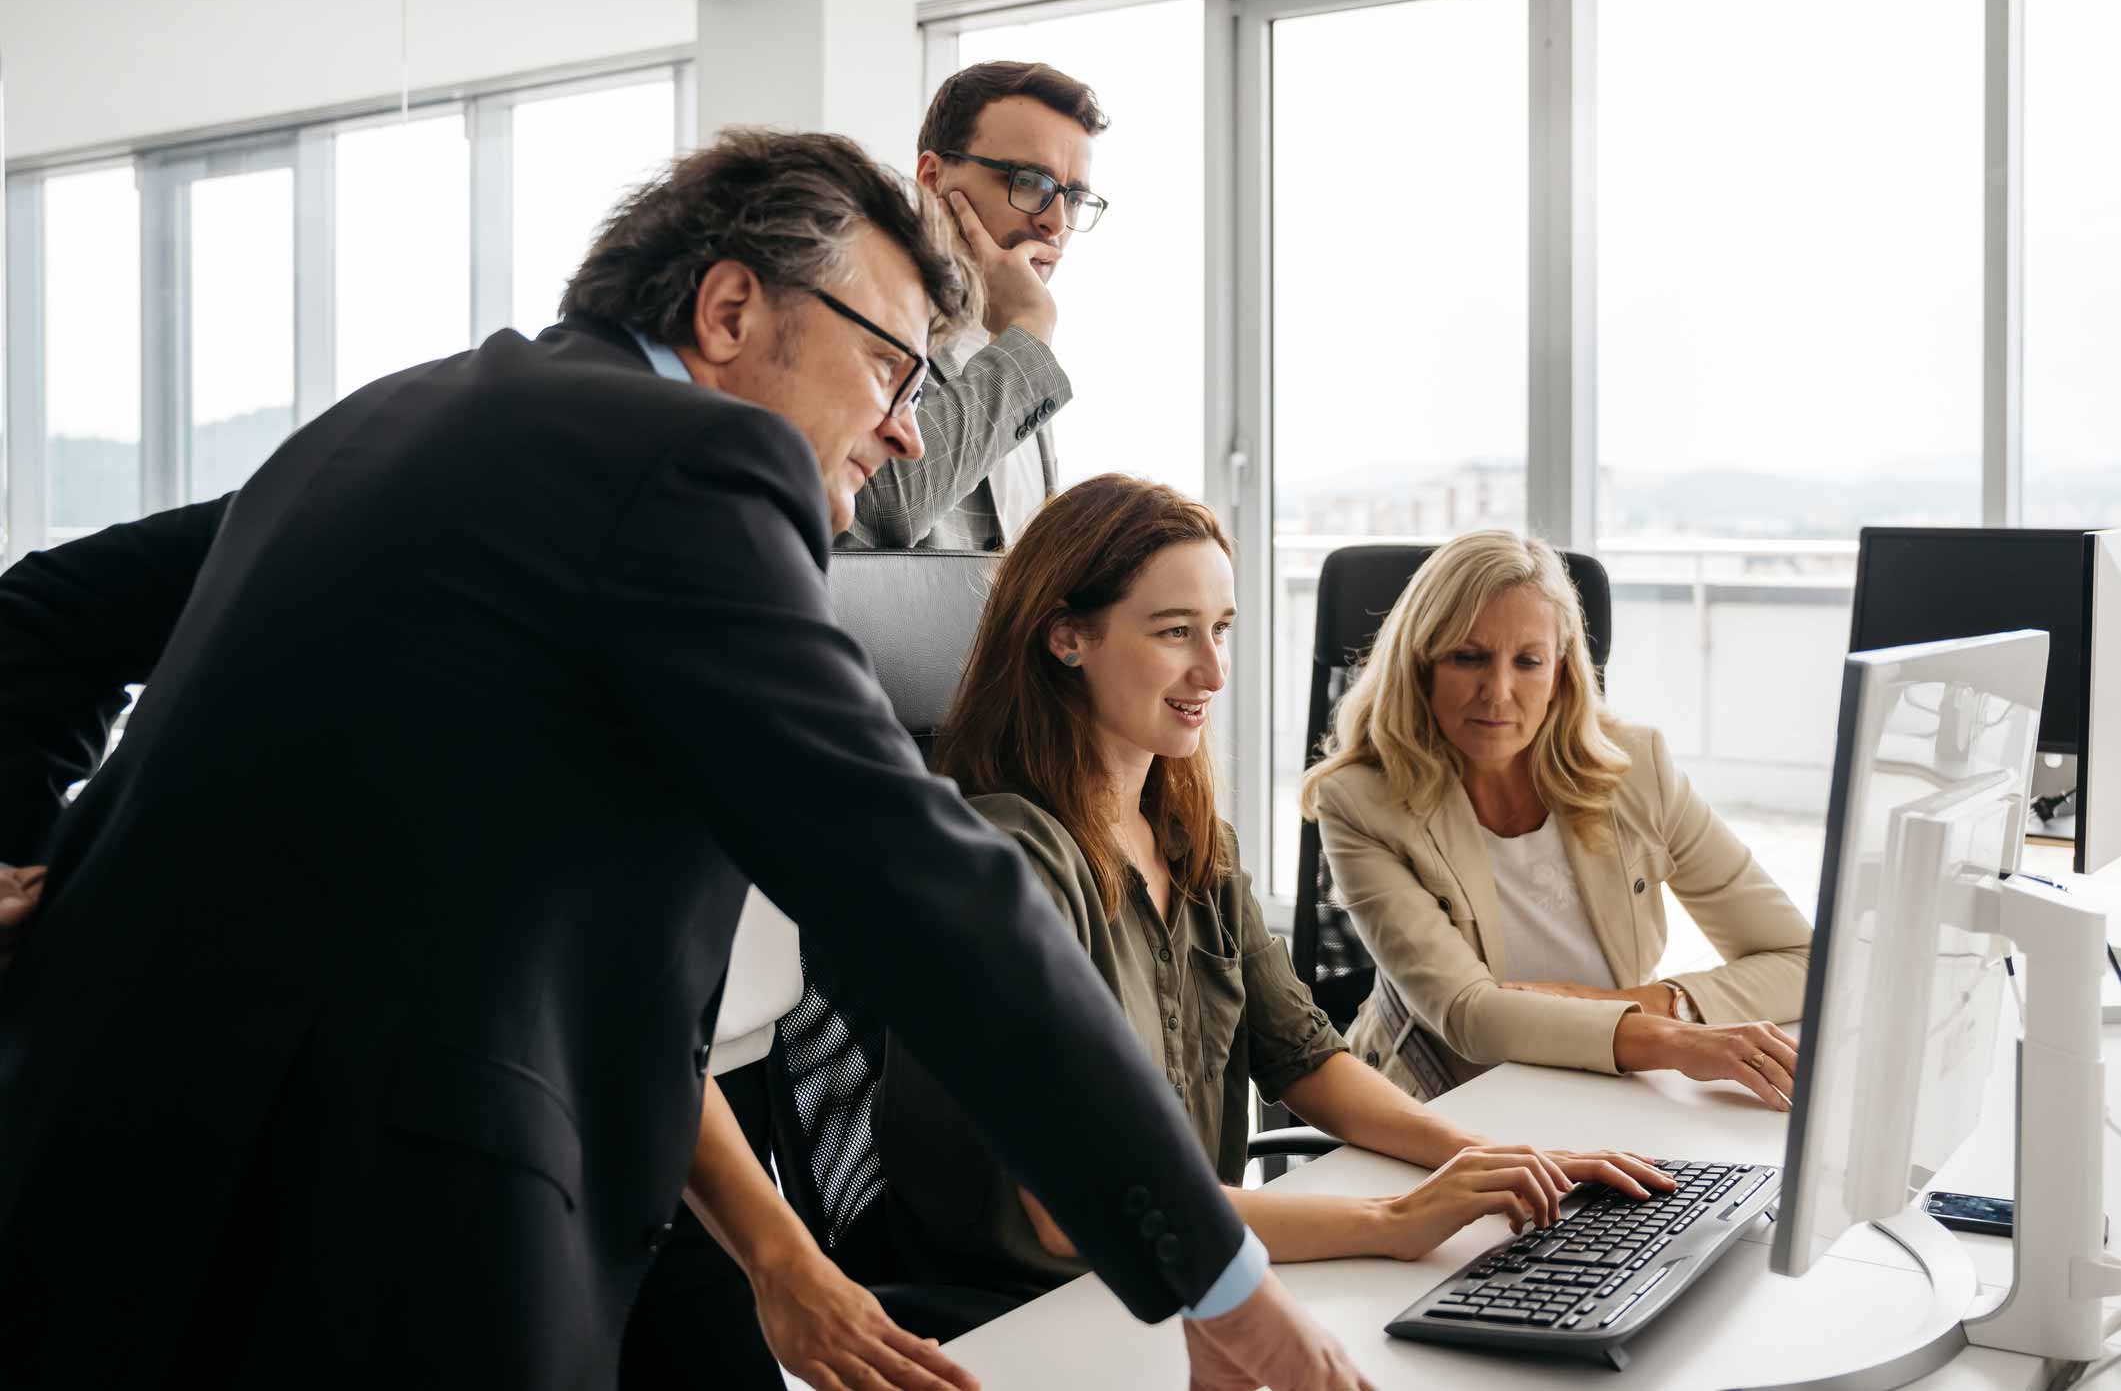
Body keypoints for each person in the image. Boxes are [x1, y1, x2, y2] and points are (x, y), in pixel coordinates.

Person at [0, 130, 1368, 1391]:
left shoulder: (399, 418)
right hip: (374, 1234)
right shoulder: (691, 463)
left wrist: (48, 874)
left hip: (102, 1167)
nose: (903, 427)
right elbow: (915, 882)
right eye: (892, 365)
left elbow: (36, 622)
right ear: (728, 313)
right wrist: (1222, 1288)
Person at [872, 476, 1674, 1303]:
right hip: (1044, 1314)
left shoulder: (1188, 844)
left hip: (1194, 1280)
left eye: (1220, 629)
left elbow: (1303, 1059)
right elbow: (1066, 1214)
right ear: (1069, 638)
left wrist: (1481, 1158)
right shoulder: (1006, 862)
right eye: (1174, 632)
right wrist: (1390, 1221)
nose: (1213, 669)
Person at [1299, 529, 1812, 1110]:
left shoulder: (1637, 770)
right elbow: (1472, 1016)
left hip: (1603, 1090)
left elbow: (1800, 959)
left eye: (1528, 662)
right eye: (1468, 658)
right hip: (1439, 1105)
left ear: (1561, 672)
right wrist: (1673, 1039)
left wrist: (1659, 1003)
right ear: (1421, 667)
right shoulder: (1362, 802)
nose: (1498, 692)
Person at [842, 60, 1106, 551]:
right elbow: (885, 507)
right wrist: (1028, 331)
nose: (1054, 223)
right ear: (932, 177)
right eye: (1028, 182)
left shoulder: (1018, 354)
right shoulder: (861, 318)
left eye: (1072, 198)